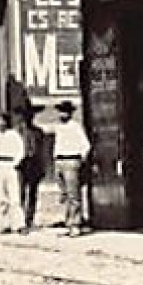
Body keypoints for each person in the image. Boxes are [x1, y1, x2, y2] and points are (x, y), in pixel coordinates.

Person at [51, 101, 92, 235]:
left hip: (71, 160)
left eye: (65, 111)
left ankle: (75, 223)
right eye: (61, 111)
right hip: (60, 161)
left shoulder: (75, 127)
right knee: (65, 194)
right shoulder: (58, 128)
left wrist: (80, 159)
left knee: (73, 194)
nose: (62, 114)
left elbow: (85, 145)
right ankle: (68, 222)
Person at [0, 112, 26, 234]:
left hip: (10, 165)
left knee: (14, 196)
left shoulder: (13, 135)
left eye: (2, 121)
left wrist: (16, 162)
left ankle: (19, 224)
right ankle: (5, 223)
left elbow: (21, 150)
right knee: (1, 197)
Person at [15, 104, 48, 233]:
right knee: (20, 192)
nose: (28, 118)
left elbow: (42, 151)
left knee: (33, 193)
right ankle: (20, 220)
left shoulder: (39, 132)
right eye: (25, 116)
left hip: (34, 163)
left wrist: (43, 166)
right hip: (21, 163)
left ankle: (30, 218)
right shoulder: (17, 132)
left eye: (30, 116)